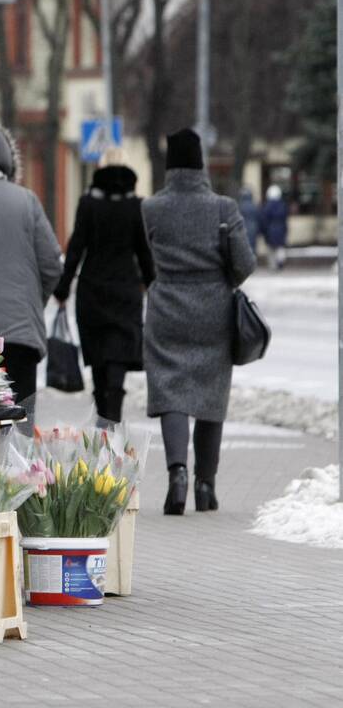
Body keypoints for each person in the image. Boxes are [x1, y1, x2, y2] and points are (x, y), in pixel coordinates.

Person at [142, 129, 255, 515]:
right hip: (213, 310)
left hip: (167, 308)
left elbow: (143, 261)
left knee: (171, 390)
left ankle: (177, 473)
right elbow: (244, 263)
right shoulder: (223, 208)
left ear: (170, 167)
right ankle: (206, 486)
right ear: (201, 164)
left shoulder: (151, 209)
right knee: (210, 396)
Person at [53, 147, 154, 424]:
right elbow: (144, 252)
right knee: (118, 359)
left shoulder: (88, 204)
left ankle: (102, 416)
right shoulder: (136, 207)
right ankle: (114, 416)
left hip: (92, 294)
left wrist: (62, 289)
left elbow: (76, 249)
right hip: (125, 294)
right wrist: (152, 285)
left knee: (99, 361)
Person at [0, 122, 62, 414]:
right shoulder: (27, 200)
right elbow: (52, 265)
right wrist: (32, 302)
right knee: (20, 425)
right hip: (22, 337)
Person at [260, 184, 289, 270]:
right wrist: (285, 229)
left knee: (271, 248)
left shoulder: (267, 206)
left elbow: (264, 220)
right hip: (280, 229)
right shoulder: (282, 205)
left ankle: (273, 265)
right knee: (280, 246)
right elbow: (285, 219)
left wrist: (263, 231)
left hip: (270, 229)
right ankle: (280, 260)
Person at [238, 186, 260, 254]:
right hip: (253, 229)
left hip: (242, 229)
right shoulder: (254, 206)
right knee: (252, 248)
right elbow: (259, 219)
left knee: (242, 249)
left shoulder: (239, 206)